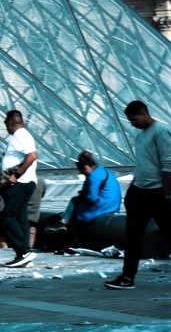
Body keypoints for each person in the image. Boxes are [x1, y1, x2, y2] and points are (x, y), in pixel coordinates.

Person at [105, 99, 171, 290]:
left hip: (157, 192)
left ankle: (127, 277)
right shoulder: (141, 136)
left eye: (134, 119)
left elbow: (168, 164)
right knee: (132, 236)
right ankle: (127, 277)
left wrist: (167, 195)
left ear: (143, 113)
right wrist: (132, 189)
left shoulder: (161, 132)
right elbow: (143, 164)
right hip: (139, 191)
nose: (132, 124)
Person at [0, 110, 38, 267]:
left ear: (11, 123)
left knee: (6, 216)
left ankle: (24, 251)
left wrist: (16, 175)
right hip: (23, 182)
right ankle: (23, 255)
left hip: (21, 183)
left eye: (6, 123)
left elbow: (32, 156)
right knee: (21, 218)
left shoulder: (21, 135)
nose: (5, 126)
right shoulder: (20, 136)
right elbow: (17, 158)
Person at [61, 151, 122, 252]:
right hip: (113, 205)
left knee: (76, 205)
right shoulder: (103, 171)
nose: (82, 173)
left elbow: (92, 198)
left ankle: (66, 227)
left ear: (86, 166)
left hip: (103, 205)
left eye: (83, 170)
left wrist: (83, 195)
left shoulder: (93, 176)